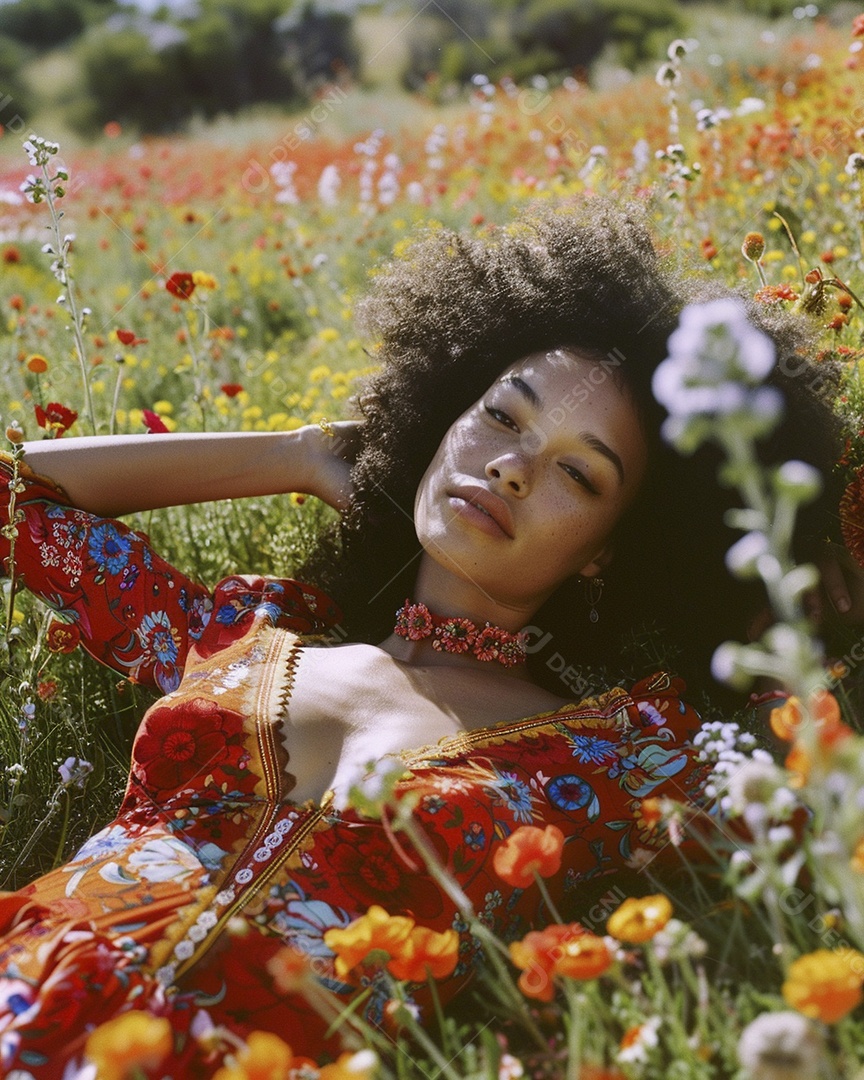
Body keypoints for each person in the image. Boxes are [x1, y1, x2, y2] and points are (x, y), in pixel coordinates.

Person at [0, 200, 846, 1075]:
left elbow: (822, 814)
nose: (511, 465)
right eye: (502, 417)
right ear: (443, 413)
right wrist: (298, 454)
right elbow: (14, 500)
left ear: (606, 554)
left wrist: (798, 580)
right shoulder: (245, 637)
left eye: (578, 473)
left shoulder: (618, 756)